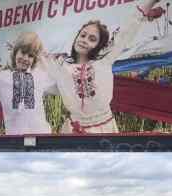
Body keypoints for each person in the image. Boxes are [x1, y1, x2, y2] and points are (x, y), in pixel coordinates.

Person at [41, 0, 160, 134]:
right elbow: (36, 60)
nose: (84, 40)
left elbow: (125, 33)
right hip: (73, 130)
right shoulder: (61, 64)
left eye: (92, 39)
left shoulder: (104, 61)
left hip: (104, 129)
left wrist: (149, 4)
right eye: (83, 35)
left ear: (98, 46)